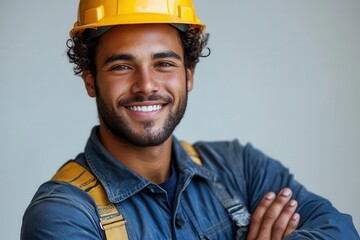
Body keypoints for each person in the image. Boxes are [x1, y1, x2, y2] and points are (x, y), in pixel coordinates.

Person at [21, 0, 359, 239]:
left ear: (189, 74)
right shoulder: (63, 215)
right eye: (122, 66)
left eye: (164, 63)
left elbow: (340, 230)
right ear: (91, 80)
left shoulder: (239, 168)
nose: (147, 85)